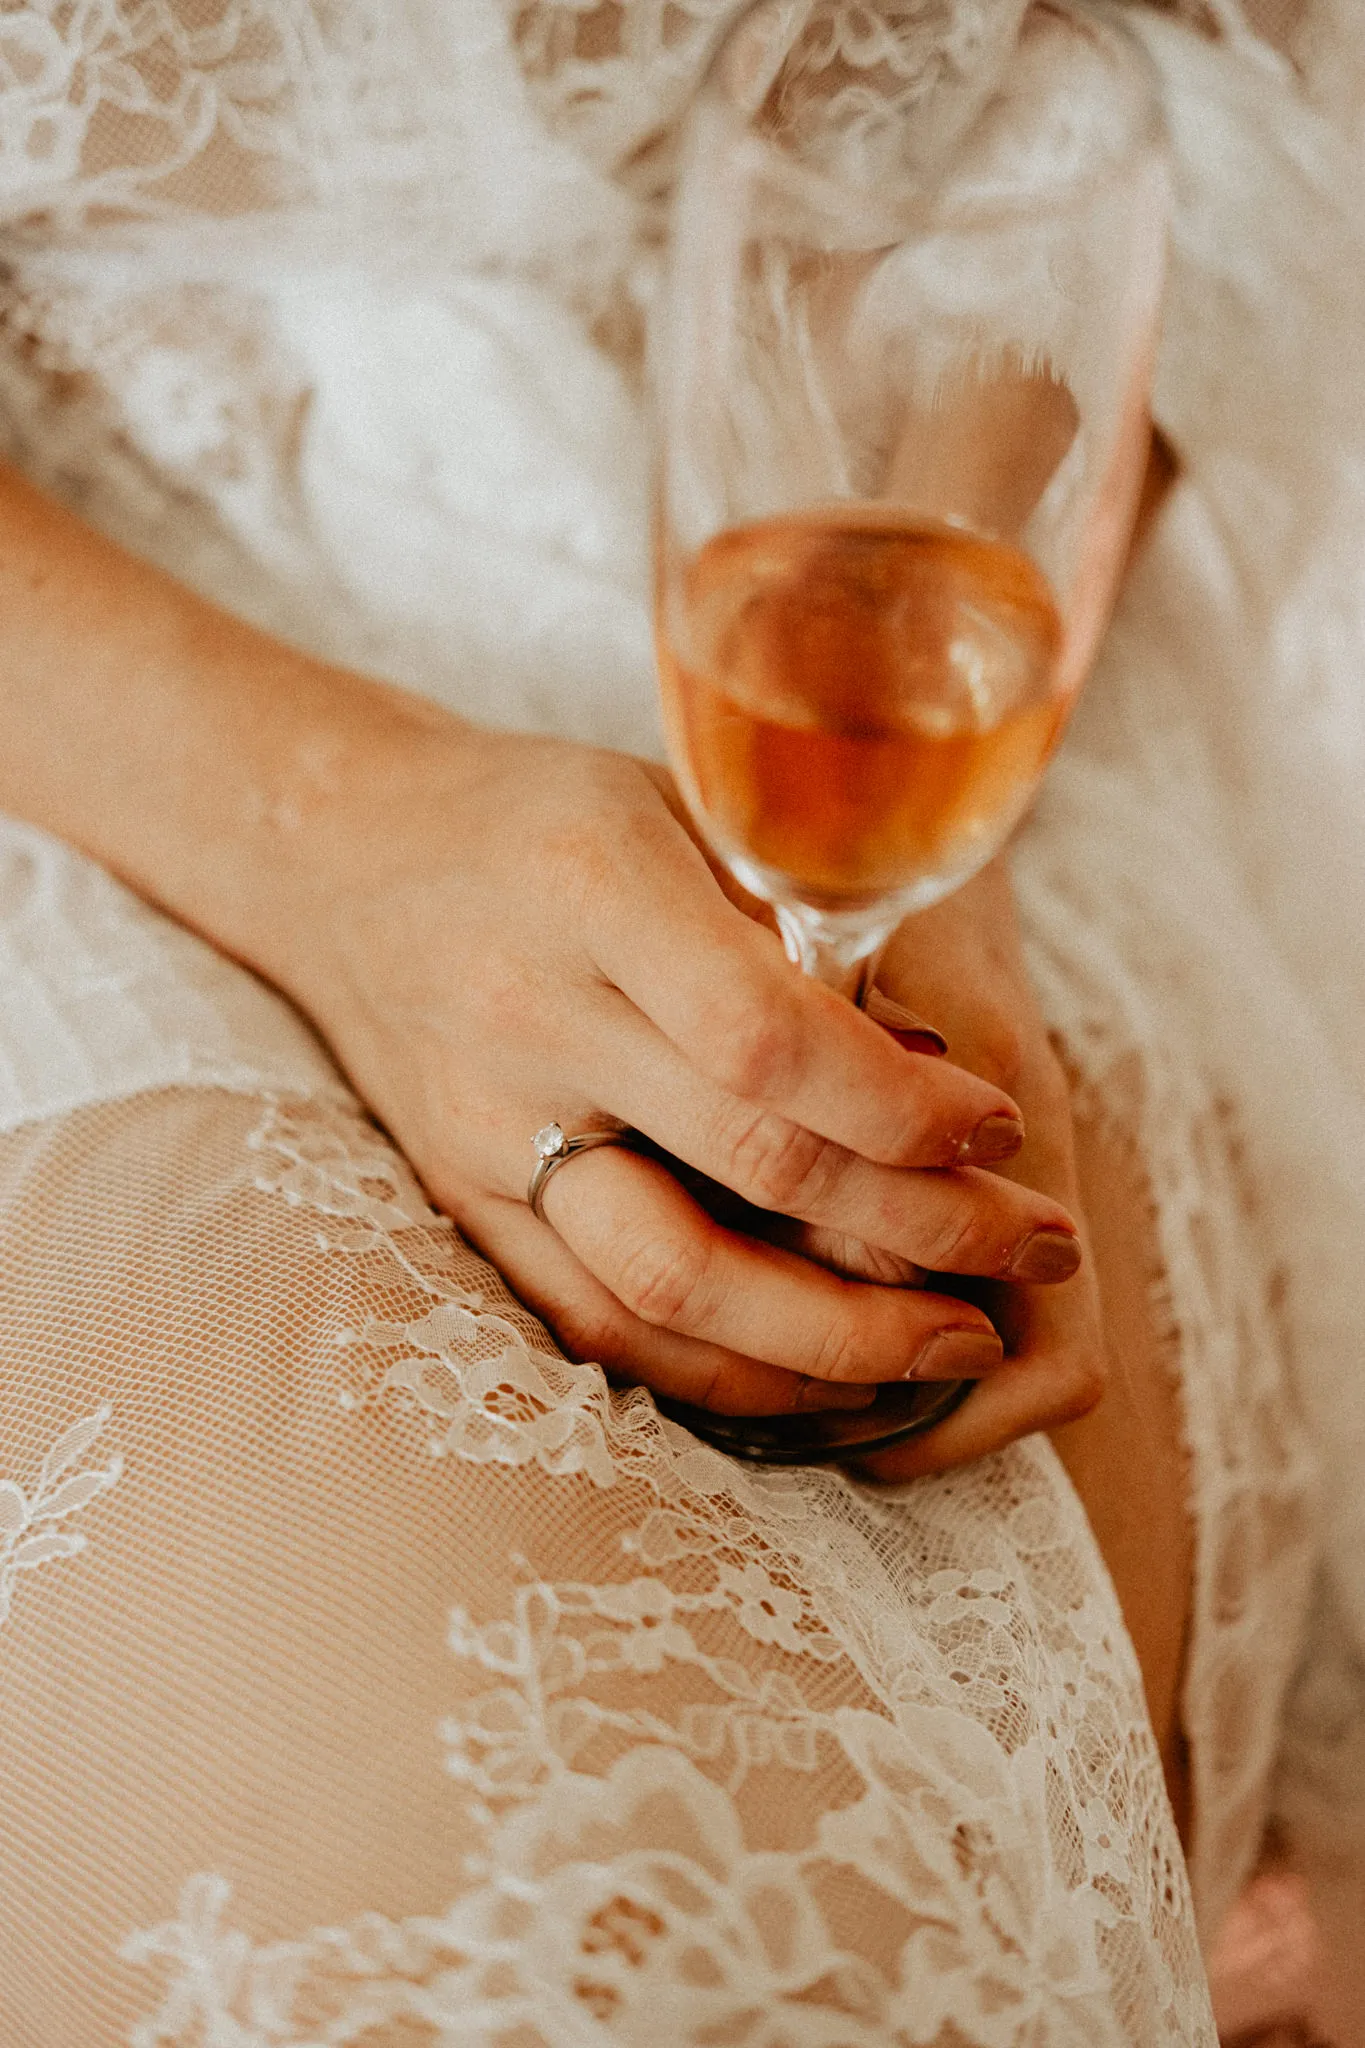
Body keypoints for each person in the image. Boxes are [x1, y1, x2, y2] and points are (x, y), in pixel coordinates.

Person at [0, 0, 1361, 2040]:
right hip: (85, 702)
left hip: (868, 542)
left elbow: (1194, 65)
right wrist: (336, 843)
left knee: (943, 1671)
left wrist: (917, 795)